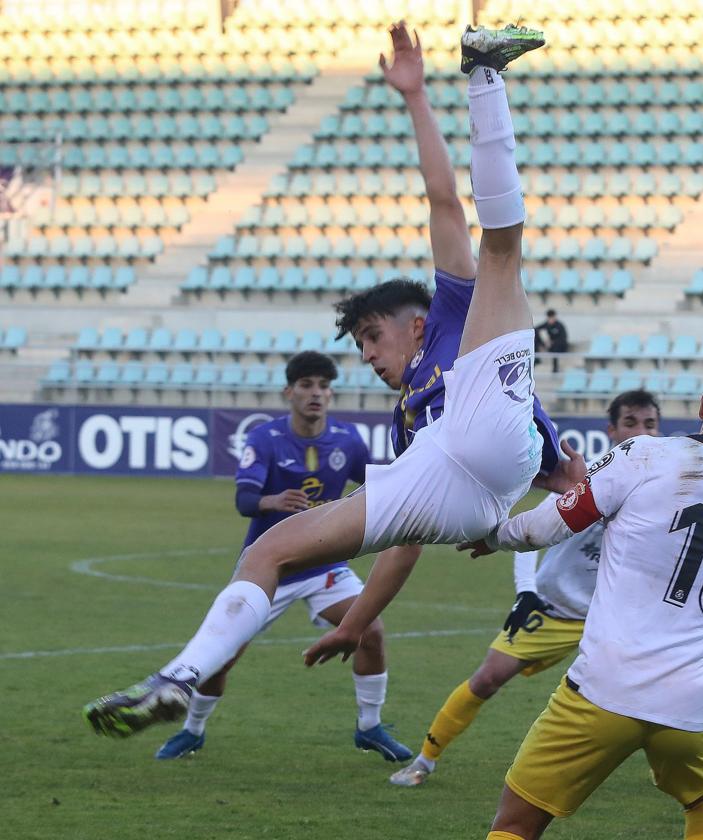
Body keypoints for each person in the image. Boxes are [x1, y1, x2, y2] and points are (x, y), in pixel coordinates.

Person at [82, 21, 575, 738]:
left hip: (491, 444)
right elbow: (405, 541)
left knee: (497, 251)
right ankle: (179, 677)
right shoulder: (407, 419)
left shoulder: (450, 314)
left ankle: (483, 74)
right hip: (470, 496)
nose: (369, 357)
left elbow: (443, 200)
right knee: (268, 550)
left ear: (414, 324)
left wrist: (413, 98)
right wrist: (359, 622)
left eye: (373, 336)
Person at [461, 348, 703, 840]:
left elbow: (553, 522)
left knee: (516, 823)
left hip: (607, 685)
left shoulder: (646, 454)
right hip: (697, 698)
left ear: (702, 404)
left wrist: (493, 537)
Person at [388, 389, 662, 788]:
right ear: (613, 430)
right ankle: (424, 762)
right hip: (554, 609)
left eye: (650, 423)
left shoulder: (664, 491)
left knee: (654, 688)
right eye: (631, 423)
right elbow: (535, 531)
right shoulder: (593, 480)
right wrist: (525, 593)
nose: (642, 431)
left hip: (616, 617)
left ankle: (672, 774)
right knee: (486, 678)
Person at [154, 351, 411, 762]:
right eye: (307, 385)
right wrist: (273, 499)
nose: (316, 394)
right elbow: (244, 500)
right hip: (270, 571)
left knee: (371, 633)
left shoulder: (347, 440)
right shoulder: (265, 439)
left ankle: (370, 727)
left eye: (324, 387)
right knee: (220, 658)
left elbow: (382, 491)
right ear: (288, 392)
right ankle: (193, 731)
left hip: (325, 566)